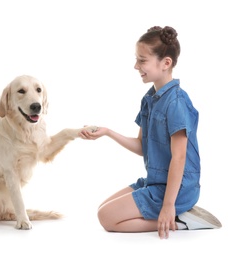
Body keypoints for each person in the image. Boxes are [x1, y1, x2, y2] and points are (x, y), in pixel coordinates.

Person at [80, 26, 222, 239]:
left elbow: (179, 157)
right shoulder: (150, 99)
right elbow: (141, 147)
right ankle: (176, 215)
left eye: (142, 60)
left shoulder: (177, 102)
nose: (136, 66)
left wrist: (168, 205)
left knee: (106, 218)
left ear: (166, 63)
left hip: (177, 189)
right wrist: (108, 132)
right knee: (104, 207)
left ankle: (178, 220)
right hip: (156, 181)